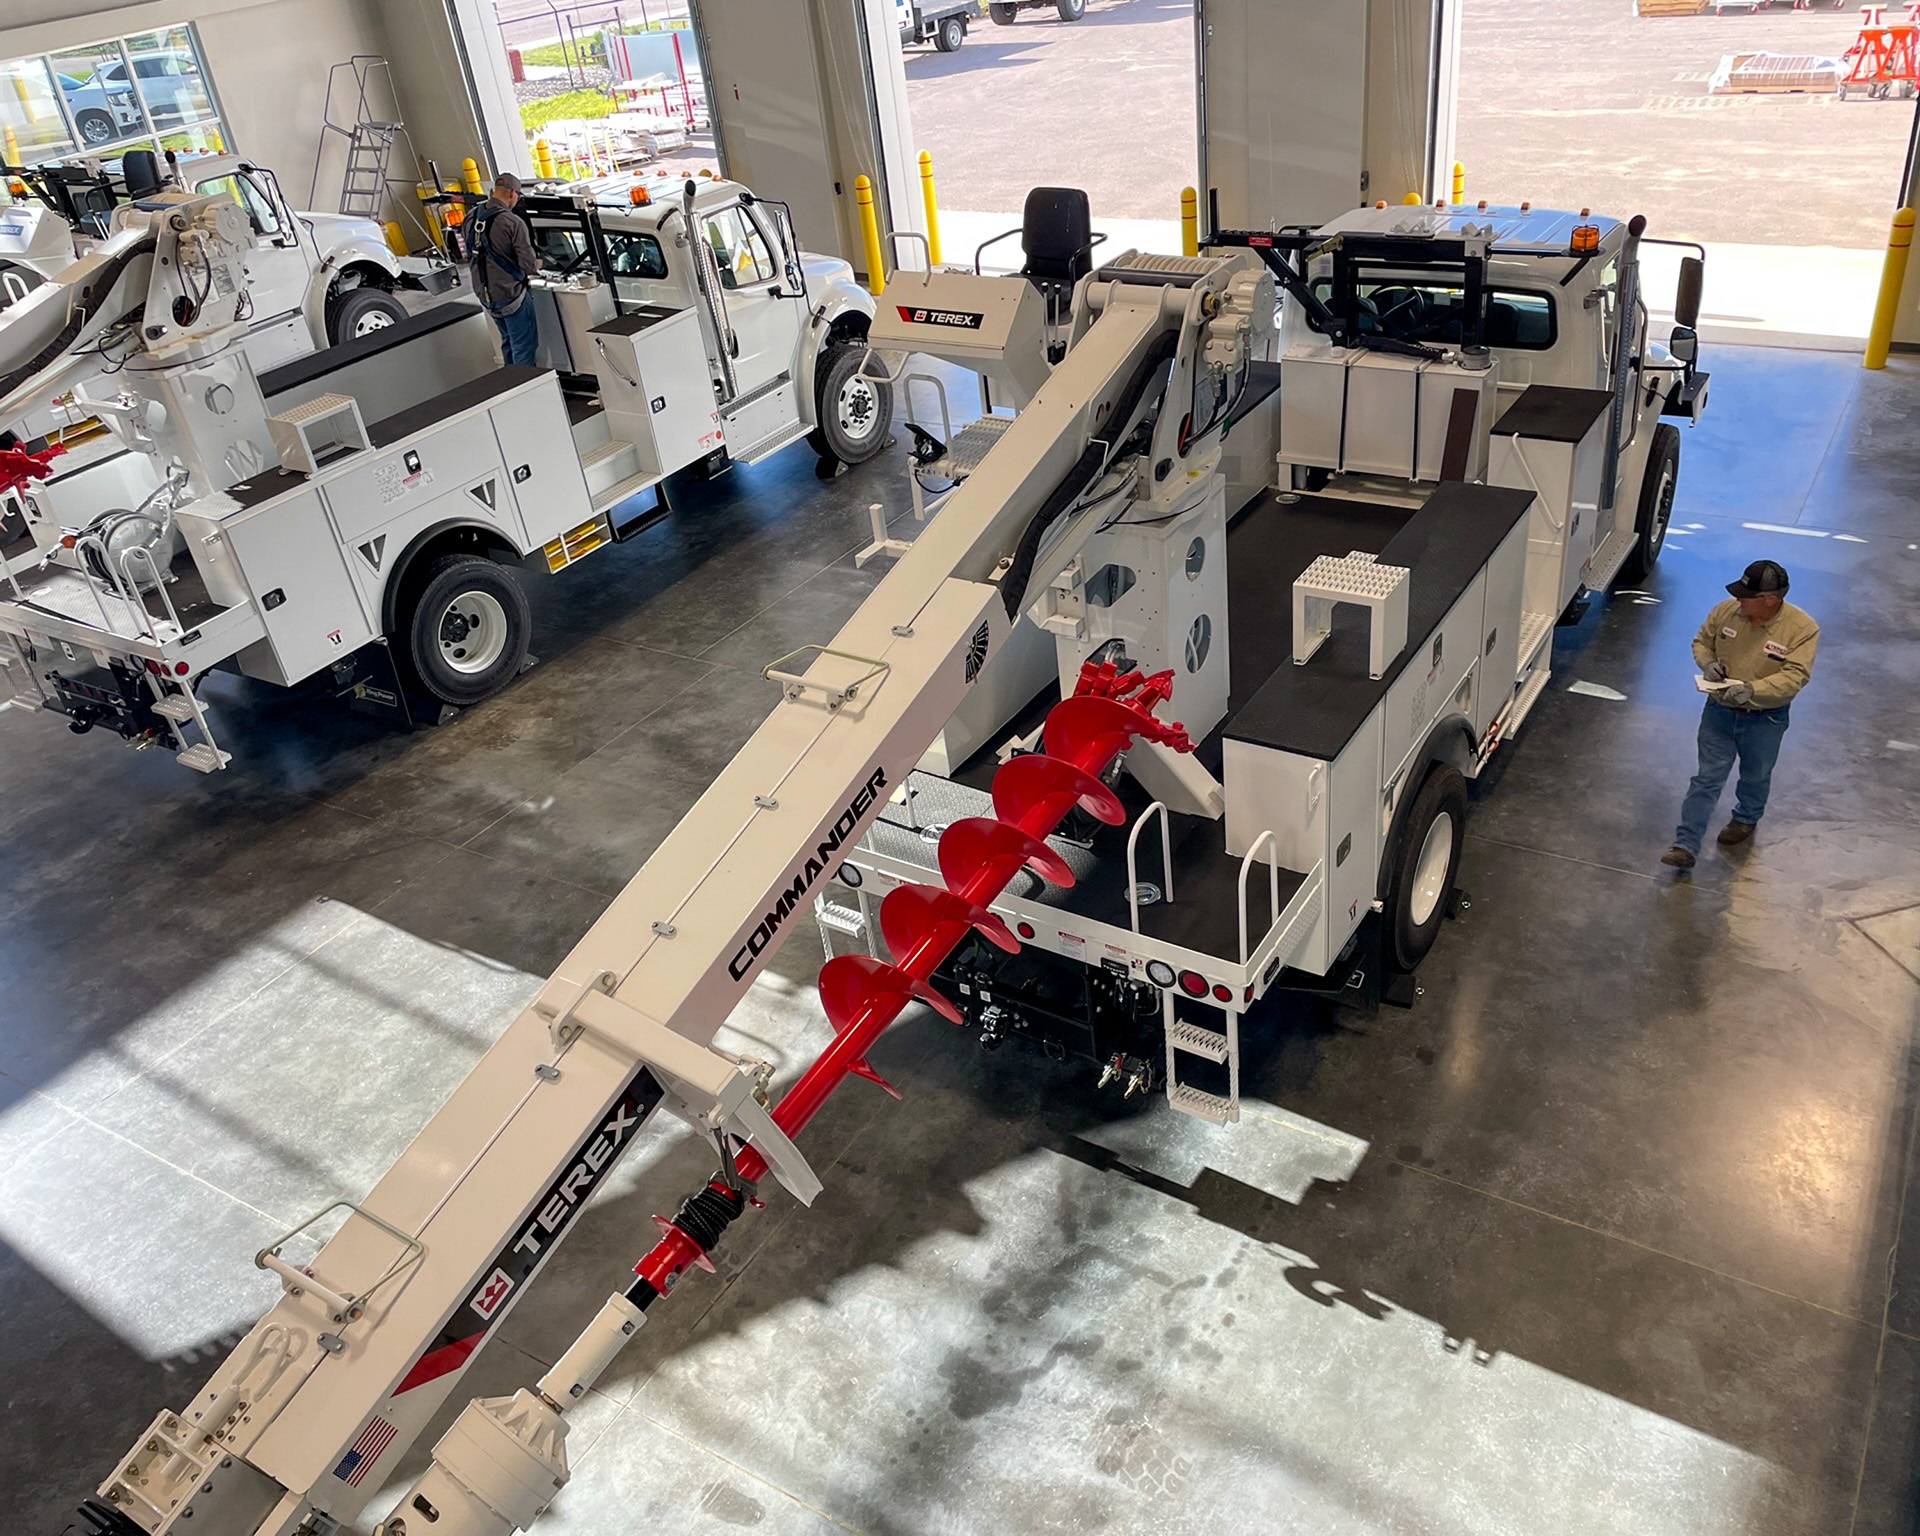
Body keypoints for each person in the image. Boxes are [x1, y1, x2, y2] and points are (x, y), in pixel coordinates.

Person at [1660, 559, 1819, 869]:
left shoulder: (1802, 629)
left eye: (1746, 597)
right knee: (1706, 779)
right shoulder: (1725, 612)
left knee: (1756, 774)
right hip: (1719, 711)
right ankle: (1686, 844)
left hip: (1765, 718)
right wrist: (1707, 663)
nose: (1739, 601)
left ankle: (1746, 818)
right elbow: (1702, 642)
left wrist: (1753, 689)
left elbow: (1796, 675)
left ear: (1770, 600)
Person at [468, 172, 542, 366]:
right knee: (523, 348)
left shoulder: (471, 217)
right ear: (512, 193)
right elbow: (528, 266)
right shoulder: (513, 222)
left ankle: (511, 388)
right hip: (511, 295)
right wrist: (538, 264)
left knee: (508, 343)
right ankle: (526, 390)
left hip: (486, 295)